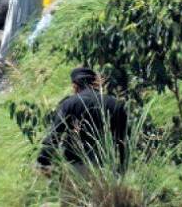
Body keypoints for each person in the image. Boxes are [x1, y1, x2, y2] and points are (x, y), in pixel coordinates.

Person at [36, 67, 128, 206]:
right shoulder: (115, 104)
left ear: (75, 86)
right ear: (95, 83)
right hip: (105, 169)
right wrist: (123, 169)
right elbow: (123, 142)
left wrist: (44, 160)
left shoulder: (70, 103)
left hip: (76, 169)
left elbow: (55, 134)